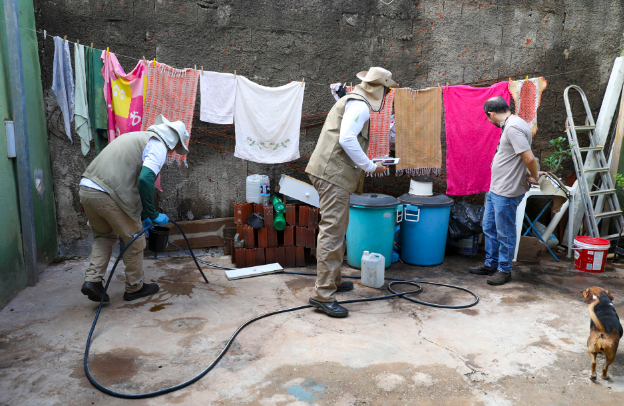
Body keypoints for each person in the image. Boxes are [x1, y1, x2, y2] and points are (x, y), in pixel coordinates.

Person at [305, 67, 398, 317]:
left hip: (331, 172)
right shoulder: (361, 106)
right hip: (332, 174)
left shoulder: (354, 100)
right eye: (387, 89)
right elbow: (347, 139)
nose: (387, 94)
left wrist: (369, 163)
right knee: (332, 232)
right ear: (379, 89)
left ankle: (333, 280)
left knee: (338, 228)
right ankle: (322, 294)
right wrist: (370, 166)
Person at [79, 115, 189, 302]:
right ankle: (135, 287)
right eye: (175, 148)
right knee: (135, 240)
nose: (172, 152)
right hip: (108, 193)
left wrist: (144, 215)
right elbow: (145, 180)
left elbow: (133, 180)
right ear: (173, 142)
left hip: (87, 189)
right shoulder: (158, 146)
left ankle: (93, 281)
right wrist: (153, 214)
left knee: (104, 236)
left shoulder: (136, 137)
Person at [469, 96, 542, 286]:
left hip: (507, 191)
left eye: (487, 117)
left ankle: (504, 269)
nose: (488, 121)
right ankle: (491, 264)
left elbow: (529, 158)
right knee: (489, 227)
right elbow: (518, 156)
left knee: (505, 232)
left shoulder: (513, 127)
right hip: (497, 188)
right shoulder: (514, 123)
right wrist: (527, 171)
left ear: (491, 114)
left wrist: (534, 174)